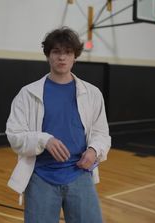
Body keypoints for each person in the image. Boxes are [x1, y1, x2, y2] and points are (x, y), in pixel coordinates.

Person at [6, 27, 111, 223]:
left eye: (68, 52)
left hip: (80, 175)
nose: (62, 57)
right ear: (48, 55)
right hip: (40, 177)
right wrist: (44, 140)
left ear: (75, 57)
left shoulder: (93, 94)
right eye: (56, 52)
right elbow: (14, 136)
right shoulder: (27, 94)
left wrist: (94, 150)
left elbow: (101, 133)